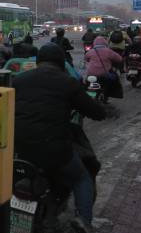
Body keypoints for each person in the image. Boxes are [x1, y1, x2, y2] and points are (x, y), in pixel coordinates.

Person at [13, 43, 106, 233]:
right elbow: (96, 113)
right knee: (82, 178)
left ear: (38, 62)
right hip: (55, 150)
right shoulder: (68, 83)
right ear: (61, 63)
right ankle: (84, 221)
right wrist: (99, 108)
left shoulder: (19, 79)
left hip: (20, 148)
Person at [85, 36, 123, 101]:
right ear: (105, 43)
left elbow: (86, 59)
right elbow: (119, 59)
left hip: (91, 74)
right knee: (114, 79)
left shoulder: (90, 51)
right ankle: (110, 94)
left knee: (87, 83)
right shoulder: (108, 51)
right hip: (104, 74)